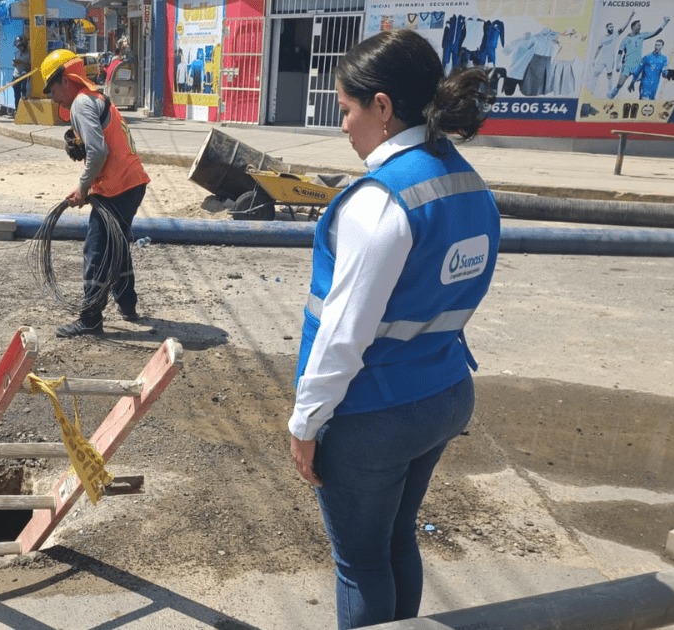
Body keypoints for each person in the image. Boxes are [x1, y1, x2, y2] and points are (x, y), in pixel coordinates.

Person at [286, 29, 500, 629]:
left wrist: (306, 422)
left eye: (347, 109)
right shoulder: (465, 181)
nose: (344, 126)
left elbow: (342, 335)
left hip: (374, 415)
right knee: (397, 538)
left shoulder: (380, 203)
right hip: (444, 393)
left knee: (359, 563)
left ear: (381, 107)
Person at [40, 49, 151, 337]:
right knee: (117, 243)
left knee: (97, 250)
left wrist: (83, 186)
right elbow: (104, 148)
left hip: (118, 187)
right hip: (130, 183)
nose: (52, 97)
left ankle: (90, 319)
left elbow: (99, 151)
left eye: (52, 88)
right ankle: (127, 304)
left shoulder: (80, 103)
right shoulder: (96, 98)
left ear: (65, 80)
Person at [608, 16, 670, 99]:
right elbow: (619, 53)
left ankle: (643, 96)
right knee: (619, 84)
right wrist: (617, 65)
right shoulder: (625, 40)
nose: (640, 27)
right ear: (633, 27)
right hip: (627, 65)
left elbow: (655, 33)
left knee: (645, 80)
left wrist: (665, 23)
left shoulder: (641, 36)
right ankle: (611, 96)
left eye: (640, 25)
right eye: (638, 25)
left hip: (637, 65)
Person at [12, 35, 31, 113]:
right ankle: (17, 110)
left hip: (24, 75)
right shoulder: (16, 53)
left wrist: (22, 63)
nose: (19, 48)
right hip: (16, 75)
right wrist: (15, 63)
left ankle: (24, 93)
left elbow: (30, 66)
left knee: (23, 94)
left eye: (20, 46)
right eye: (18, 46)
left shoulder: (30, 54)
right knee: (16, 95)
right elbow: (13, 64)